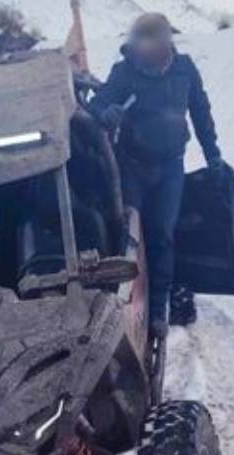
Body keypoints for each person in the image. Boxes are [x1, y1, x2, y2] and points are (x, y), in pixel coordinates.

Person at [88, 12, 224, 339]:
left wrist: (213, 155)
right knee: (130, 237)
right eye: (146, 42)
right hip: (133, 166)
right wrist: (106, 114)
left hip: (170, 168)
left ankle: (158, 310)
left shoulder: (184, 68)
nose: (154, 48)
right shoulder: (124, 73)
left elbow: (201, 112)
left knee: (162, 233)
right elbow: (96, 105)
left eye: (160, 40)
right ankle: (127, 310)